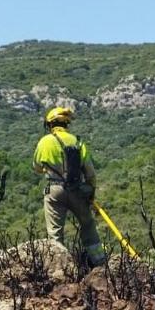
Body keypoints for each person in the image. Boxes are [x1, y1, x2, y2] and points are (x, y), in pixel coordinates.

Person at [32, 106, 106, 268]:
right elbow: (90, 173)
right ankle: (99, 262)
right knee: (88, 225)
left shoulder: (44, 142)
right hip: (77, 190)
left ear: (50, 125)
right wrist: (90, 193)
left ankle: (59, 267)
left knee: (55, 232)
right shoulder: (77, 142)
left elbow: (37, 168)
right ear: (66, 124)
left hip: (54, 191)